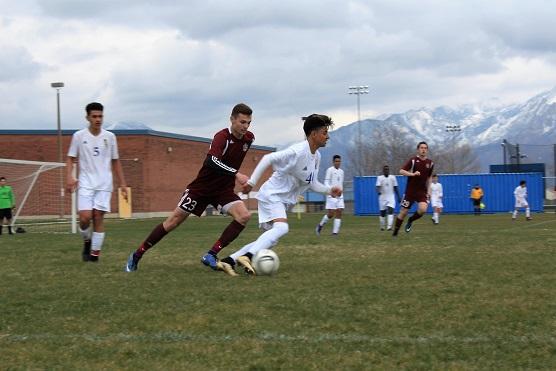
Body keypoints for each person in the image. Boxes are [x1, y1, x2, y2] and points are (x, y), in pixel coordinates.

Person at [125, 103, 254, 272]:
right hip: (201, 189)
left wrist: (247, 183)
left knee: (243, 216)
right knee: (173, 222)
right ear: (232, 119)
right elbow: (211, 161)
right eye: (242, 122)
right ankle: (137, 255)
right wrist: (236, 174)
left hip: (223, 191)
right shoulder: (221, 137)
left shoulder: (249, 138)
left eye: (248, 123)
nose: (245, 127)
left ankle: (211, 254)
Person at [217, 114, 342, 276]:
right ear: (313, 134)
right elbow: (267, 158)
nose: (328, 136)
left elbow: (313, 183)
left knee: (269, 240)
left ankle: (228, 261)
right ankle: (247, 256)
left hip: (281, 201)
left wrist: (329, 190)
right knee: (282, 227)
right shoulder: (297, 151)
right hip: (272, 195)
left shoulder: (316, 156)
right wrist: (252, 182)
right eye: (325, 132)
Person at [66, 102, 127, 262]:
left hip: (104, 184)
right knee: (85, 217)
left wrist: (122, 184)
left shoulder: (110, 137)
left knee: (98, 217)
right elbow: (71, 158)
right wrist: (69, 177)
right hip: (85, 182)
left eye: (100, 116)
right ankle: (87, 240)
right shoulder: (79, 136)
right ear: (87, 117)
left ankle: (94, 255)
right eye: (94, 116)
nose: (98, 119)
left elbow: (115, 161)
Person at [392, 142, 434, 236]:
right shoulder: (413, 160)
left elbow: (430, 177)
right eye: (421, 148)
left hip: (421, 191)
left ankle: (411, 220)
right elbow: (401, 171)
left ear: (427, 150)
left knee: (423, 209)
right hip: (410, 191)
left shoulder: (430, 163)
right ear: (418, 149)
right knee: (403, 212)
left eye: (425, 148)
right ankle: (395, 232)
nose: (423, 150)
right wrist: (412, 174)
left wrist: (429, 191)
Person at [316, 154, 344, 236]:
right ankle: (320, 225)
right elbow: (326, 183)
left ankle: (335, 233)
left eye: (339, 161)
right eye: (336, 161)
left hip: (339, 195)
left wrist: (341, 191)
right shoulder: (330, 170)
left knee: (339, 211)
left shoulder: (342, 172)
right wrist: (332, 190)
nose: (338, 163)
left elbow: (340, 183)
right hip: (331, 195)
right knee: (331, 214)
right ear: (333, 162)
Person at [375, 165, 400, 231]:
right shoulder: (380, 178)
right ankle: (382, 227)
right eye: (385, 169)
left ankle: (389, 227)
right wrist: (378, 191)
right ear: (383, 171)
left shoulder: (393, 177)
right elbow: (377, 186)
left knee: (390, 210)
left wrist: (399, 197)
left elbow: (395, 187)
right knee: (383, 213)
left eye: (387, 169)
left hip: (391, 197)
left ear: (389, 170)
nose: (386, 171)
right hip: (382, 197)